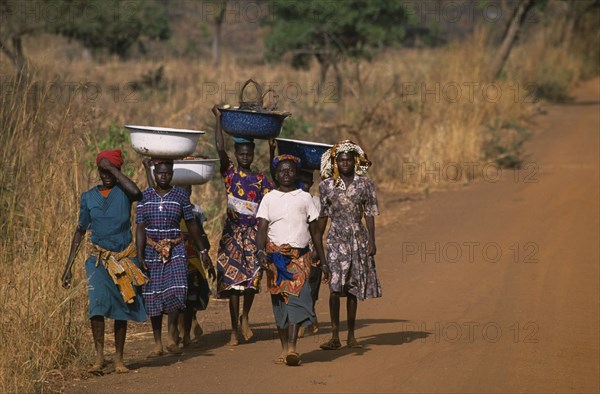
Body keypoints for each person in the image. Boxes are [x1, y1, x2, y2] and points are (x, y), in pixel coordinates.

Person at [61, 149, 147, 374]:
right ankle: (99, 357)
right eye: (102, 170)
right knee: (96, 306)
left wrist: (112, 169)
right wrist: (68, 267)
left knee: (122, 307)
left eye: (111, 170)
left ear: (118, 170)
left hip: (123, 259)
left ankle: (119, 358)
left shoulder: (124, 192)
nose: (106, 174)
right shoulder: (89, 197)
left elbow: (137, 193)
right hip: (98, 260)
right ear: (97, 171)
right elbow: (80, 231)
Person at [256, 154, 329, 366]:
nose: (286, 174)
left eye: (290, 170)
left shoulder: (305, 198)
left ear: (295, 174)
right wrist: (260, 251)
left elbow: (316, 234)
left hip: (300, 257)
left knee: (298, 299)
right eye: (281, 171)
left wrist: (323, 262)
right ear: (275, 174)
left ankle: (293, 348)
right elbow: (261, 229)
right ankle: (283, 347)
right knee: (280, 306)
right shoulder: (269, 198)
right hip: (275, 260)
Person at [136, 159, 212, 356]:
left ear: (172, 175)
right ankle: (157, 343)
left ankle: (172, 336)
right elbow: (140, 228)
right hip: (152, 250)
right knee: (153, 295)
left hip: (176, 249)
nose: (164, 176)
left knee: (177, 291)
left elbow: (191, 224)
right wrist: (139, 254)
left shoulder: (180, 196)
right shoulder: (144, 197)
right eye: (160, 173)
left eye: (168, 173)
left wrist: (203, 251)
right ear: (154, 174)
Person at [212, 105, 273, 346]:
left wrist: (271, 149)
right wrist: (218, 120)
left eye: (249, 153)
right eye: (242, 153)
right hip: (232, 235)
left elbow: (277, 180)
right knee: (231, 282)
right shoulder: (229, 173)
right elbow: (219, 147)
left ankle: (245, 316)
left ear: (253, 154)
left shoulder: (260, 180)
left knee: (251, 280)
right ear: (236, 154)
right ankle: (234, 329)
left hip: (253, 235)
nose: (245, 157)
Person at [318, 140, 382, 350]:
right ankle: (335, 335)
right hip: (336, 238)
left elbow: (370, 213)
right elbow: (323, 216)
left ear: (355, 161)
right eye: (341, 159)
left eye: (348, 159)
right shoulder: (327, 185)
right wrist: (316, 243)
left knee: (352, 287)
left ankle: (351, 335)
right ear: (336, 162)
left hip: (357, 237)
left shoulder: (365, 184)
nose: (345, 163)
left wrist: (372, 240)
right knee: (335, 287)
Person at [296, 169, 323, 338]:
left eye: (307, 182)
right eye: (301, 181)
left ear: (312, 184)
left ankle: (309, 315)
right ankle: (303, 320)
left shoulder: (316, 201)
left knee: (313, 285)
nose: (304, 185)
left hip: (312, 247)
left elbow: (319, 229)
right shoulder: (290, 200)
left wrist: (317, 250)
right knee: (298, 286)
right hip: (295, 247)